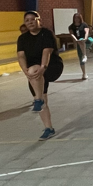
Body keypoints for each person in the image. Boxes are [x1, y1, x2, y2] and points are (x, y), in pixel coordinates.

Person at [17, 10, 64, 140]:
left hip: (51, 66)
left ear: (39, 21)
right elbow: (21, 56)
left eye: (33, 19)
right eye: (27, 20)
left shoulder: (46, 34)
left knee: (34, 70)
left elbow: (46, 52)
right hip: (34, 73)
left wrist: (43, 67)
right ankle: (49, 128)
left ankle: (38, 100)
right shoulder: (22, 38)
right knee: (34, 76)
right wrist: (24, 70)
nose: (30, 22)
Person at [68, 13, 91, 80]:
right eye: (75, 18)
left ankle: (85, 55)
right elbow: (72, 34)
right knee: (81, 59)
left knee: (81, 39)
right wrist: (76, 40)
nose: (77, 19)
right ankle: (84, 73)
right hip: (79, 43)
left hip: (87, 41)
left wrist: (85, 38)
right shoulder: (71, 26)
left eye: (78, 18)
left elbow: (86, 32)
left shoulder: (84, 24)